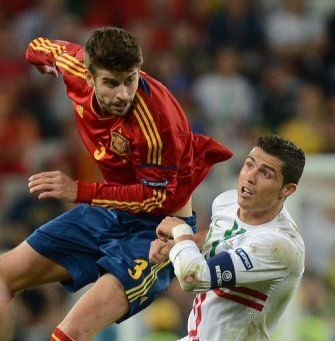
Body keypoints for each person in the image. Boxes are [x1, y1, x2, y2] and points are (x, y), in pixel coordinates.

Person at [0, 27, 232, 340]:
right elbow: (39, 47)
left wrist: (78, 191)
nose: (123, 93)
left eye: (130, 80)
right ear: (89, 74)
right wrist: (44, 64)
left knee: (68, 334)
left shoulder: (159, 122)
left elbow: (154, 199)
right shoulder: (74, 66)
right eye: (111, 83)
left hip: (155, 231)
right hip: (108, 211)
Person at [149, 135, 306, 340]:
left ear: (287, 189)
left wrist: (181, 233)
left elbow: (194, 278)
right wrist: (174, 246)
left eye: (265, 173)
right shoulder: (227, 202)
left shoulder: (280, 245)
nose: (250, 177)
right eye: (249, 165)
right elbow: (217, 239)